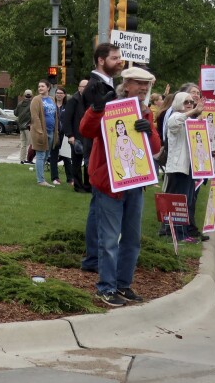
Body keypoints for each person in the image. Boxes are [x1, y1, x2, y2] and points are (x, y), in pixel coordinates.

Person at [80, 66, 161, 307]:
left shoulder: (145, 112)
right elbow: (86, 130)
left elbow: (154, 149)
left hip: (135, 183)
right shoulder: (110, 105)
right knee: (109, 239)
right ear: (126, 85)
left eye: (147, 85)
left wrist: (149, 133)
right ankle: (106, 287)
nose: (144, 89)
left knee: (132, 239)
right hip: (109, 184)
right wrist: (96, 109)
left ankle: (123, 284)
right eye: (139, 84)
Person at [80, 43, 123, 274]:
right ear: (100, 60)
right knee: (99, 208)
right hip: (99, 153)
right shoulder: (95, 87)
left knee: (97, 209)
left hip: (110, 151)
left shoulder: (109, 84)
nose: (119, 61)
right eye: (115, 58)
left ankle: (93, 257)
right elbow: (91, 125)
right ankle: (95, 257)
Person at [162, 91, 204, 241]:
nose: (189, 105)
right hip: (178, 167)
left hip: (189, 167)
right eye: (186, 102)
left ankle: (181, 232)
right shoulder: (174, 116)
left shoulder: (188, 120)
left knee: (186, 201)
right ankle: (176, 234)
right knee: (178, 202)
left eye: (191, 102)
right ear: (178, 102)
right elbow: (175, 123)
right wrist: (194, 111)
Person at [30, 80, 60, 187]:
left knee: (46, 155)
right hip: (41, 132)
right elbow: (35, 117)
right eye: (39, 86)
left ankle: (40, 176)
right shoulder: (36, 100)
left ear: (48, 88)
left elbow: (54, 116)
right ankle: (41, 180)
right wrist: (40, 131)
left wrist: (55, 131)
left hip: (51, 131)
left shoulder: (52, 99)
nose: (40, 88)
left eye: (42, 86)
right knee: (41, 155)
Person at [64, 79, 91, 193]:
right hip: (76, 136)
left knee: (88, 163)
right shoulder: (73, 100)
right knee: (76, 162)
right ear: (79, 88)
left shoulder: (91, 100)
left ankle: (88, 185)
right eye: (83, 86)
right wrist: (70, 135)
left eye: (87, 86)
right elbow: (67, 119)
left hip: (88, 137)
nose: (85, 89)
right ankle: (78, 186)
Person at [49, 86, 74, 185]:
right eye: (57, 93)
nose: (59, 95)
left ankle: (70, 178)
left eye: (61, 93)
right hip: (54, 134)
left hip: (66, 134)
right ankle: (55, 177)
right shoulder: (52, 105)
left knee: (67, 157)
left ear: (64, 95)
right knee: (53, 156)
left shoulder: (67, 106)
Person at [15, 89, 34, 164]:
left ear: (24, 95)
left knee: (23, 144)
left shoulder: (20, 104)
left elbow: (16, 113)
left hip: (21, 126)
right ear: (31, 96)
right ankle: (29, 159)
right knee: (31, 144)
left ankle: (22, 160)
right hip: (29, 126)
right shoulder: (32, 104)